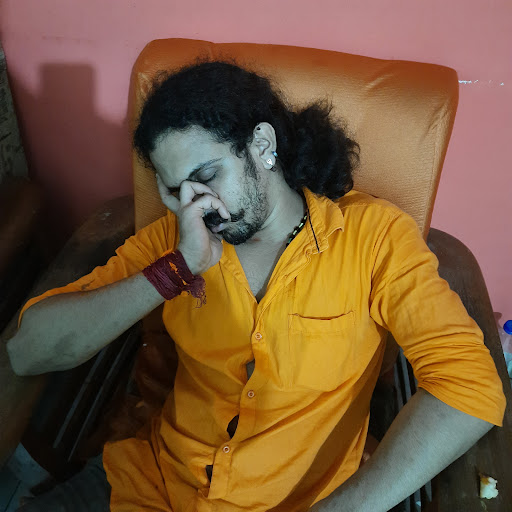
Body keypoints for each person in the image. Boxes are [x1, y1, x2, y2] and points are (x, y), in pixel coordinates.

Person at [7, 61, 506, 512]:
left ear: (263, 146)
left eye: (207, 175)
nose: (198, 206)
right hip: (153, 484)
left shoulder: (373, 238)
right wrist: (176, 269)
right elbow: (28, 350)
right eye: (177, 190)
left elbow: (469, 387)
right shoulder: (177, 241)